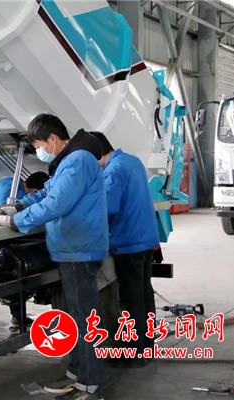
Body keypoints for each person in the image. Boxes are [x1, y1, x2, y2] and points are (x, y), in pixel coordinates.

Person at [0, 114, 108, 400]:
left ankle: (90, 387)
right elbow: (46, 194)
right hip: (72, 249)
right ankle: (77, 374)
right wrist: (17, 207)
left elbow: (56, 204)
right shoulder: (68, 161)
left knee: (84, 320)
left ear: (52, 138)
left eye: (40, 145)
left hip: (79, 251)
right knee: (75, 318)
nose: (40, 151)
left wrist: (14, 222)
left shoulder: (78, 161)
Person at [88, 131, 160, 368]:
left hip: (128, 243)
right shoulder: (132, 161)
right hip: (145, 239)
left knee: (130, 301)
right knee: (144, 295)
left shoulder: (113, 171)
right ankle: (147, 347)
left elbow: (107, 208)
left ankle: (133, 353)